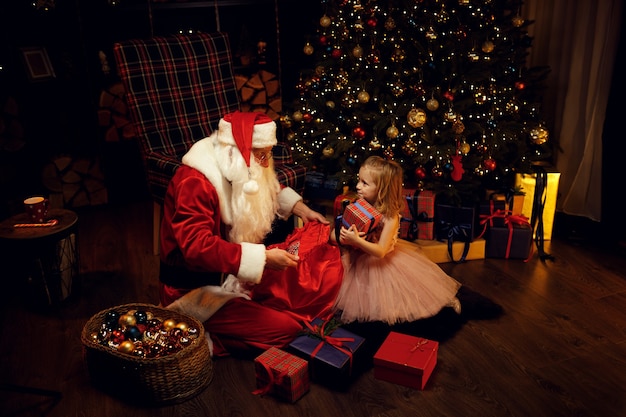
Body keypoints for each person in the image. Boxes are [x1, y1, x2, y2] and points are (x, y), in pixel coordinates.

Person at [159, 111, 343, 357]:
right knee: (287, 330)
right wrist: (264, 259)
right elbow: (196, 247)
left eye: (269, 153)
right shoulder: (195, 182)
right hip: (192, 290)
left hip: (230, 273)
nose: (267, 162)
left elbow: (263, 184)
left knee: (293, 299)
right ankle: (200, 340)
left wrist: (300, 208)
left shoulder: (232, 163)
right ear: (236, 151)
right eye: (261, 155)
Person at [331, 156, 462, 325]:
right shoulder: (361, 203)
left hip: (380, 260)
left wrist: (356, 241)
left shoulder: (390, 218)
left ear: (381, 189)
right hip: (359, 254)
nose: (357, 186)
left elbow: (380, 252)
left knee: (406, 297)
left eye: (364, 183)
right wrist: (345, 236)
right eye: (359, 180)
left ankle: (446, 301)